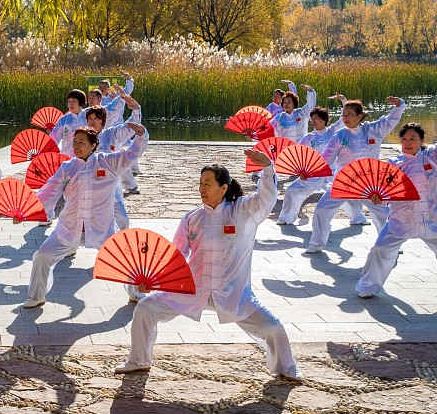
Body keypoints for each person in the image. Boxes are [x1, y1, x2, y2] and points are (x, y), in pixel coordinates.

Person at [115, 152, 299, 380]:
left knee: (273, 327)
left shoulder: (244, 210)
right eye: (200, 184)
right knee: (145, 309)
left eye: (208, 184)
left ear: (224, 188)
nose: (202, 189)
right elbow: (176, 255)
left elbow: (267, 198)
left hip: (234, 293)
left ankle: (287, 368)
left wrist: (268, 168)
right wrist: (152, 282)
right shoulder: (192, 218)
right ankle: (139, 360)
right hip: (193, 289)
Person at [22, 123, 148, 309]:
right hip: (69, 228)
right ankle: (36, 296)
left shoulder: (108, 162)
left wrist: (140, 136)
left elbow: (131, 155)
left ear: (93, 145)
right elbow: (48, 192)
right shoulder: (67, 167)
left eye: (81, 142)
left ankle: (136, 294)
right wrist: (26, 213)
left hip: (101, 228)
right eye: (74, 142)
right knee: (42, 256)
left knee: (125, 258)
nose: (76, 146)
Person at [355, 106, 437, 299]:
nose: (408, 142)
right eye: (404, 139)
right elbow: (385, 191)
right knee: (380, 250)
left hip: (432, 219)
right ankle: (367, 286)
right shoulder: (393, 164)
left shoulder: (435, 156)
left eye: (413, 139)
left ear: (421, 141)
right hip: (401, 219)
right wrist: (378, 199)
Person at [304, 96, 407, 253]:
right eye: (343, 114)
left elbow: (390, 120)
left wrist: (399, 106)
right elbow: (326, 158)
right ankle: (316, 244)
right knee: (322, 210)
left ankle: (390, 245)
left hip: (369, 183)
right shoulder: (340, 135)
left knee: (383, 214)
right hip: (344, 181)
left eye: (349, 114)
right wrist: (310, 172)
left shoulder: (373, 130)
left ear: (359, 116)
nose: (345, 118)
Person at [277, 105, 358, 225]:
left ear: (324, 120)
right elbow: (299, 154)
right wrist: (301, 172)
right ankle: (286, 218)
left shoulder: (332, 132)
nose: (313, 121)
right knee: (291, 190)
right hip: (313, 173)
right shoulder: (309, 137)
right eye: (312, 119)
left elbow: (342, 121)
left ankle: (358, 218)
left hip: (331, 173)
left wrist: (344, 102)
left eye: (317, 119)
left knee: (341, 193)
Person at [49, 89, 88, 156]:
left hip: (85, 156)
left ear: (81, 103)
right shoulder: (64, 119)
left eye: (74, 101)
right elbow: (54, 138)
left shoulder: (88, 116)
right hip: (67, 157)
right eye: (69, 101)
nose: (71, 104)